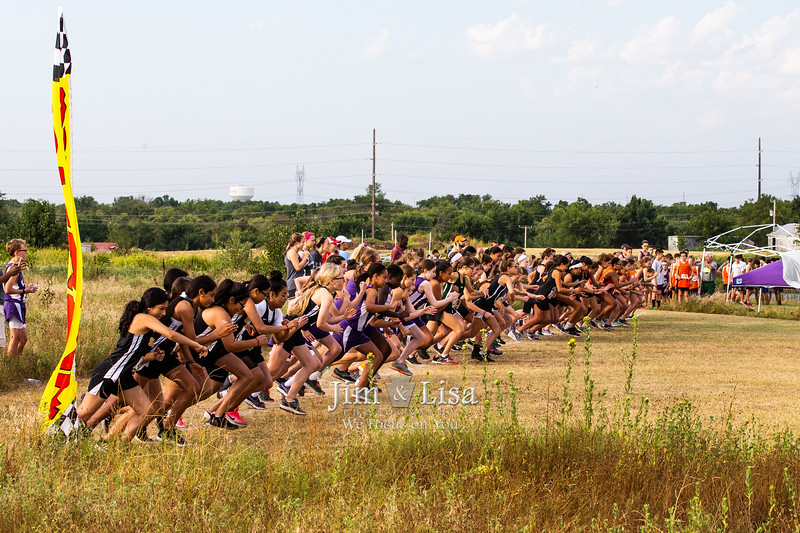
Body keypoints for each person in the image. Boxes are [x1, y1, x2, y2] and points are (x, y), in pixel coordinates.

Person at [4, 239, 38, 357]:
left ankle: (16, 362)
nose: (27, 253)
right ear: (17, 252)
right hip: (13, 304)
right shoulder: (13, 268)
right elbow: (7, 290)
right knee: (15, 337)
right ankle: (11, 363)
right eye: (25, 250)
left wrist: (25, 289)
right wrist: (25, 290)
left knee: (23, 339)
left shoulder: (17, 267)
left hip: (19, 304)